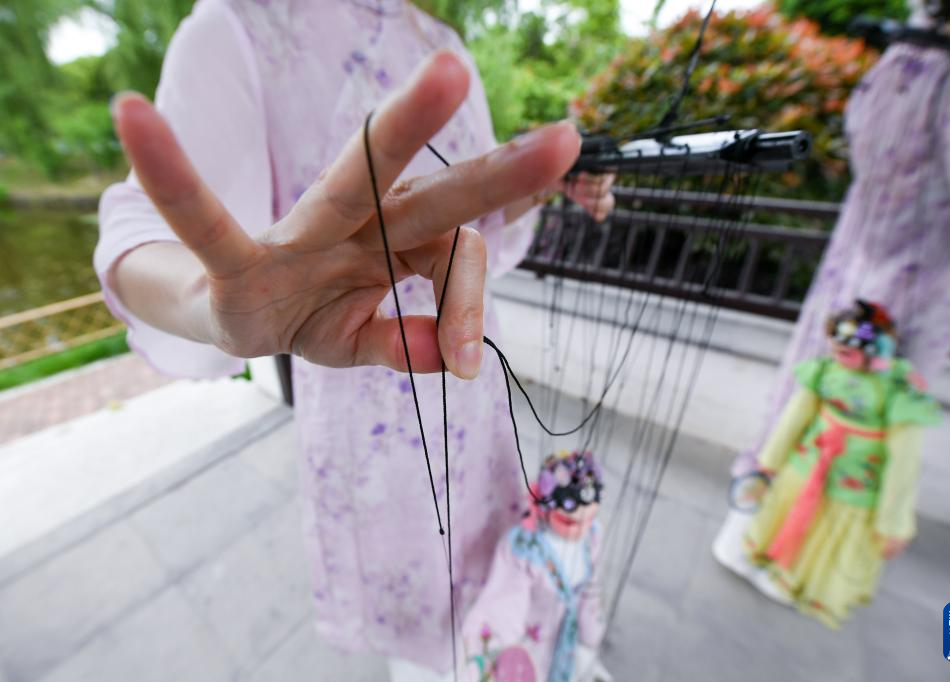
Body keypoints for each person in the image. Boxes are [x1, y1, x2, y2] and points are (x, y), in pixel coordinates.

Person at [93, 1, 613, 679]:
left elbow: (468, 218)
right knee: (425, 614)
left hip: (470, 368)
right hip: (365, 386)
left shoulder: (441, 39)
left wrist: (541, 185)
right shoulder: (241, 26)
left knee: (493, 562)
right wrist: (203, 302)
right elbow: (142, 228)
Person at [713, 0, 950, 585]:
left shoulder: (907, 51)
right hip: (923, 297)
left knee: (806, 400)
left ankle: (751, 528)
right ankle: (797, 564)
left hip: (849, 271)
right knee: (863, 434)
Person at [742, 301, 940, 627]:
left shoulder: (899, 391)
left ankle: (795, 582)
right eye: (836, 344)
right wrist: (770, 460)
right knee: (790, 515)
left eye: (851, 346)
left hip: (853, 484)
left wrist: (894, 523)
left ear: (880, 348)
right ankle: (775, 566)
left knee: (826, 538)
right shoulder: (825, 371)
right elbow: (795, 416)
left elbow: (904, 462)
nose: (839, 351)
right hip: (807, 464)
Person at [462, 451, 609, 682]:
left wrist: (589, 637)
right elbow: (505, 604)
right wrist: (498, 649)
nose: (581, 516)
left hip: (565, 645)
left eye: (589, 510)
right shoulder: (525, 548)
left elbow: (591, 589)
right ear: (545, 505)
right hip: (530, 645)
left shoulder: (591, 537)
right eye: (569, 512)